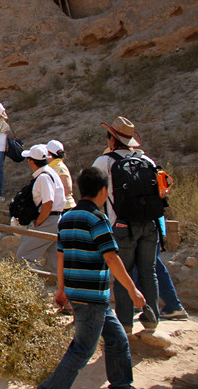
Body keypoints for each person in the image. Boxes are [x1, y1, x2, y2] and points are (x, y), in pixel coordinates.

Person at [38, 167, 146, 389]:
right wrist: (132, 290)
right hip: (92, 296)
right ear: (104, 190)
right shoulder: (97, 219)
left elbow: (61, 255)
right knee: (82, 349)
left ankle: (121, 384)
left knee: (117, 339)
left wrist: (61, 288)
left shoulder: (67, 218)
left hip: (82, 294)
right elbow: (112, 258)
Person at [92, 116, 161, 334]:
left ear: (112, 139)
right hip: (149, 224)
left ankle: (125, 323)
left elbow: (92, 189)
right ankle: (151, 320)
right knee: (149, 271)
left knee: (124, 273)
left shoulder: (105, 162)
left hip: (121, 225)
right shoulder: (147, 160)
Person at [16, 144, 66, 274]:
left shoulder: (43, 177)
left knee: (24, 255)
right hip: (55, 219)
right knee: (56, 259)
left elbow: (48, 202)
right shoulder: (50, 173)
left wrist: (39, 222)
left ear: (32, 162)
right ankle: (64, 290)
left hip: (48, 220)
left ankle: (36, 290)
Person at [46, 140, 76, 211]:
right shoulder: (52, 167)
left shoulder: (59, 167)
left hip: (65, 207)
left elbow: (67, 189)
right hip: (59, 207)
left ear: (50, 154)